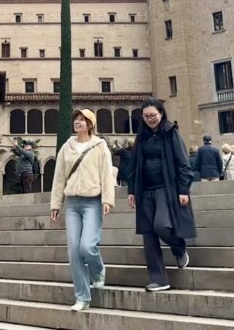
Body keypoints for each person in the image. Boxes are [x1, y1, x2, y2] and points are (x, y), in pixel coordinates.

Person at [127, 97, 197, 292]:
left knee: (160, 225)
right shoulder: (141, 137)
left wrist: (183, 190)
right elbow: (133, 165)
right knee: (148, 234)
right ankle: (159, 279)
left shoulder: (170, 133)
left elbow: (184, 163)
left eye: (153, 115)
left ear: (161, 114)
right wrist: (131, 190)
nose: (150, 119)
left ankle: (178, 247)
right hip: (144, 190)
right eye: (146, 116)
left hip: (166, 188)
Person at [50, 108, 116, 312]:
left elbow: (106, 173)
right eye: (76, 120)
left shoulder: (99, 145)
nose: (77, 123)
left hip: (92, 202)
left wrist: (107, 199)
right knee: (73, 251)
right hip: (72, 204)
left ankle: (98, 270)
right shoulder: (66, 147)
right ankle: (82, 297)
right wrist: (55, 204)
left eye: (82, 120)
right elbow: (59, 177)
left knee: (87, 247)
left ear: (90, 124)